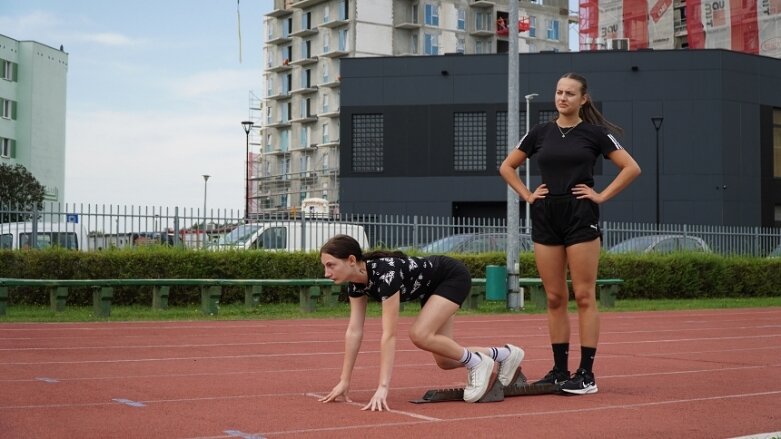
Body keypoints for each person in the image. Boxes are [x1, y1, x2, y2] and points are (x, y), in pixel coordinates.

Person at [499, 72, 641, 395]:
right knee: (553, 297)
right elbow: (507, 166)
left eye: (570, 93)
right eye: (559, 92)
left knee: (584, 295)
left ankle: (586, 374)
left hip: (580, 215)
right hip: (546, 214)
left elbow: (631, 167)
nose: (562, 98)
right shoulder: (539, 133)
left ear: (583, 99)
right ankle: (560, 371)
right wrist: (527, 195)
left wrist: (601, 196)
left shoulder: (595, 134)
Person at [318, 234, 526, 410]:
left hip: (451, 276)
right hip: (432, 288)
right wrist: (344, 381)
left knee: (419, 334)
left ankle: (478, 363)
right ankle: (507, 354)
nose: (327, 273)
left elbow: (389, 334)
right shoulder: (355, 285)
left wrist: (382, 387)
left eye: (331, 265)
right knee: (445, 360)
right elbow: (354, 331)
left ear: (351, 260)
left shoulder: (385, 274)